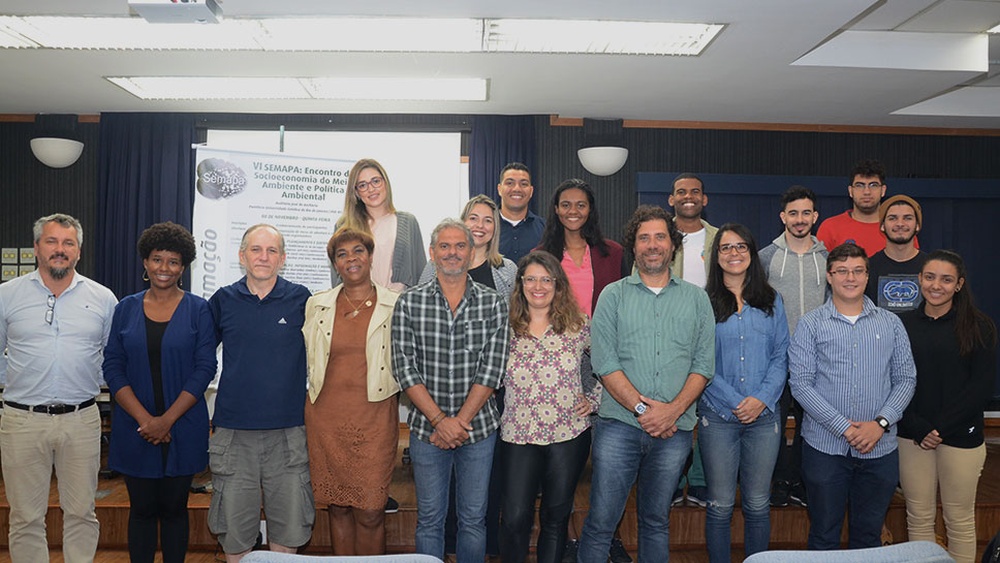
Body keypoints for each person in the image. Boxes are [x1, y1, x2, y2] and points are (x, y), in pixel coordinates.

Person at [577, 205, 715, 563]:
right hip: (618, 428)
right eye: (644, 238)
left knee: (656, 521)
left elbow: (703, 365)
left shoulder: (697, 299)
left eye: (660, 237)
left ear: (673, 245)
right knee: (601, 522)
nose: (652, 245)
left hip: (675, 430)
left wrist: (671, 411)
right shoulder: (612, 296)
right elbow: (605, 364)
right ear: (633, 246)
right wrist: (644, 410)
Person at [0, 213, 118, 563]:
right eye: (51, 242)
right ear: (37, 247)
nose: (59, 250)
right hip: (22, 420)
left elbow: (110, 358)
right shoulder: (7, 295)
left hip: (81, 419)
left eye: (68, 243)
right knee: (24, 517)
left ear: (79, 251)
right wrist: (18, 386)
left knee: (82, 512)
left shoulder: (102, 298)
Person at [391, 219, 510, 562]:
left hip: (479, 431)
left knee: (473, 520)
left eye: (460, 246)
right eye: (444, 246)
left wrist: (459, 422)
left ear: (472, 253)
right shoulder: (410, 303)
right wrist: (441, 421)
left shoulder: (492, 303)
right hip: (427, 432)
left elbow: (493, 369)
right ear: (432, 252)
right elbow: (404, 369)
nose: (452, 253)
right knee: (430, 520)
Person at [789, 243, 916, 550]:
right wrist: (843, 427)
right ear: (829, 276)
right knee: (823, 535)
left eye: (858, 270)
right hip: (825, 449)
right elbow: (801, 384)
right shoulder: (810, 324)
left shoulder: (891, 324)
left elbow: (906, 379)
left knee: (869, 538)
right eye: (842, 271)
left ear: (867, 276)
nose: (850, 277)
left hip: (880, 448)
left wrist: (880, 423)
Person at [102, 222, 217, 563]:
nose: (164, 268)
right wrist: (146, 420)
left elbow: (205, 368)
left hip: (182, 426)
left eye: (173, 261)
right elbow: (113, 366)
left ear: (183, 267)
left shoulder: (199, 310)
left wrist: (166, 421)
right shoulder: (125, 308)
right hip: (135, 428)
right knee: (141, 511)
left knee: (174, 511)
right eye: (157, 259)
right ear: (145, 262)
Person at [207, 224, 315, 562]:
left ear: (282, 258)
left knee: (290, 529)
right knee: (235, 533)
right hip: (234, 434)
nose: (263, 257)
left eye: (271, 251)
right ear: (242, 256)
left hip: (288, 434)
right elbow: (198, 358)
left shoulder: (302, 299)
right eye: (256, 249)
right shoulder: (223, 300)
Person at [303, 227, 400, 555]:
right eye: (341, 254)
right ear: (334, 264)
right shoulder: (317, 305)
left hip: (374, 420)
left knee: (372, 511)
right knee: (338, 508)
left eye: (358, 251)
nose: (351, 259)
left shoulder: (395, 305)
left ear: (370, 257)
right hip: (325, 420)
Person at [499, 251, 600, 563]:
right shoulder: (504, 327)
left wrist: (594, 398)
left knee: (555, 518)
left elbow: (608, 364)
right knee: (515, 517)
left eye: (546, 279)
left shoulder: (578, 324)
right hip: (518, 434)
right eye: (531, 278)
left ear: (558, 285)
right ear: (521, 284)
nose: (538, 286)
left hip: (568, 434)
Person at [898, 250, 997, 563]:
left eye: (946, 279)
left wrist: (939, 428)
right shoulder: (901, 325)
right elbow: (896, 381)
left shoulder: (980, 327)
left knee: (960, 520)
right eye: (929, 277)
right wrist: (919, 427)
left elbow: (979, 389)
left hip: (961, 438)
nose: (936, 285)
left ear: (959, 284)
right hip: (912, 436)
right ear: (919, 280)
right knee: (918, 517)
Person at [700, 223, 789, 563]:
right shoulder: (703, 301)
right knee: (720, 505)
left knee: (757, 503)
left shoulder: (772, 300)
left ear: (752, 254)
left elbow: (782, 355)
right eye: (726, 247)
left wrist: (761, 399)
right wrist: (737, 403)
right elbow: (701, 361)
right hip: (718, 417)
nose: (734, 253)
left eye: (741, 247)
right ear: (715, 256)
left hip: (764, 418)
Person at [758, 185, 828, 508]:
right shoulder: (766, 257)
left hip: (817, 358)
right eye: (793, 213)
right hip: (776, 358)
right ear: (782, 216)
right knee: (772, 424)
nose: (800, 220)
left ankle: (799, 481)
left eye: (806, 213)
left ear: (815, 216)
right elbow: (757, 304)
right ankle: (774, 483)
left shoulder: (828, 258)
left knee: (809, 424)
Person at [333, 158, 426, 290]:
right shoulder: (344, 227)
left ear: (385, 183)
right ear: (356, 192)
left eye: (376, 181)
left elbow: (420, 273)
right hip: (360, 306)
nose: (371, 189)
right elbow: (338, 279)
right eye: (363, 185)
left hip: (399, 306)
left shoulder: (408, 222)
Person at [538, 178, 625, 318]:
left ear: (590, 209)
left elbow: (625, 303)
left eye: (581, 205)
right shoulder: (540, 256)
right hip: (554, 337)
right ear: (556, 209)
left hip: (602, 337)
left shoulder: (613, 253)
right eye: (565, 205)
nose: (573, 211)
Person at [420, 194, 517, 297]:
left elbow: (517, 310)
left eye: (488, 220)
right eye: (473, 218)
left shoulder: (508, 269)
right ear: (462, 222)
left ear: (495, 228)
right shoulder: (436, 263)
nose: (480, 225)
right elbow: (419, 302)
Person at [817, 159, 916, 257]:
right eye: (860, 185)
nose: (867, 192)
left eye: (873, 185)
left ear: (883, 190)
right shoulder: (830, 228)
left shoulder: (900, 228)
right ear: (850, 191)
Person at [864, 195, 927, 313]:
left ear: (917, 226)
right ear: (882, 226)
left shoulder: (930, 267)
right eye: (892, 218)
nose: (900, 224)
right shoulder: (867, 267)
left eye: (907, 218)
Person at [497, 162, 545, 264]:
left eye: (523, 184)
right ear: (499, 189)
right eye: (510, 183)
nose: (517, 189)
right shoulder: (486, 228)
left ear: (531, 191)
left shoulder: (545, 229)